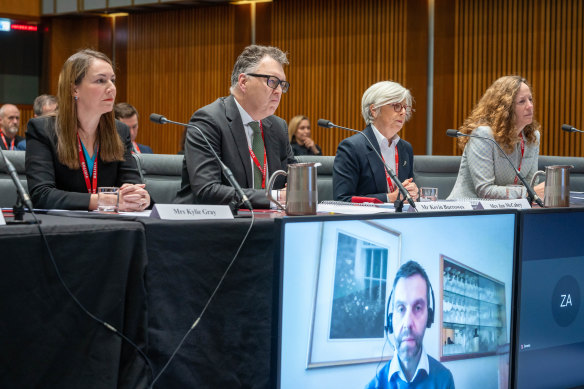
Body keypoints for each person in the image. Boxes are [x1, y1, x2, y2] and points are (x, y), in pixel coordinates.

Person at [25, 49, 150, 211]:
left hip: (112, 227)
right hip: (62, 228)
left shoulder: (120, 131)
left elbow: (132, 184)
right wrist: (103, 200)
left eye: (112, 80)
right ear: (74, 89)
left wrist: (141, 197)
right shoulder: (42, 129)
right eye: (100, 80)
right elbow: (41, 195)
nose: (111, 88)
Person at [176, 44, 296, 208]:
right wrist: (274, 197)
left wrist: (297, 189)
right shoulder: (209, 121)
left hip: (268, 224)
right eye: (272, 81)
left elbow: (294, 181)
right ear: (244, 82)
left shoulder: (278, 126)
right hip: (219, 226)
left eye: (282, 84)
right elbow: (207, 190)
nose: (279, 91)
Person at [447, 76, 545, 200]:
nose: (530, 106)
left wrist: (532, 192)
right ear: (505, 107)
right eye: (522, 101)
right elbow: (485, 190)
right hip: (469, 210)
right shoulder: (483, 135)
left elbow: (532, 185)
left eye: (530, 99)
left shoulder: (532, 137)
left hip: (509, 210)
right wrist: (527, 193)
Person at [366, 260, 454, 389]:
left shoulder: (444, 380)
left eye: (418, 308)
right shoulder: (373, 386)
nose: (407, 323)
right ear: (391, 319)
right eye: (401, 309)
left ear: (429, 318)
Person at [333, 81, 419, 203]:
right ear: (374, 110)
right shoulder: (352, 147)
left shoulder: (405, 148)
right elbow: (341, 200)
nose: (403, 112)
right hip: (365, 220)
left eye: (405, 107)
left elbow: (406, 195)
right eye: (396, 106)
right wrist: (390, 198)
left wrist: (413, 193)